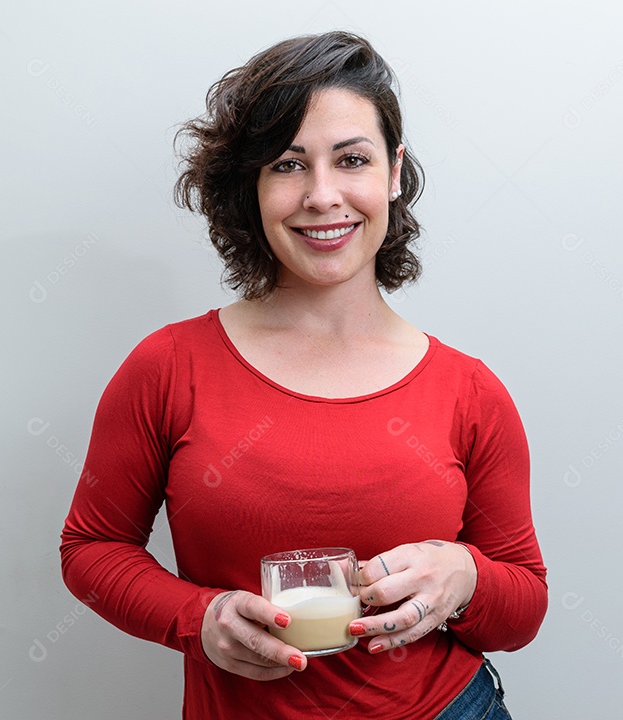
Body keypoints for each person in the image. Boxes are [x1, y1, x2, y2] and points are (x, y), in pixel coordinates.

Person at [60, 31, 546, 719]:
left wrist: (466, 577)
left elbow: (522, 610)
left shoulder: (470, 391)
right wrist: (200, 616)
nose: (323, 196)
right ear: (251, 185)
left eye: (351, 160)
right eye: (288, 165)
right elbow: (92, 548)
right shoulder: (169, 368)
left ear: (394, 172)